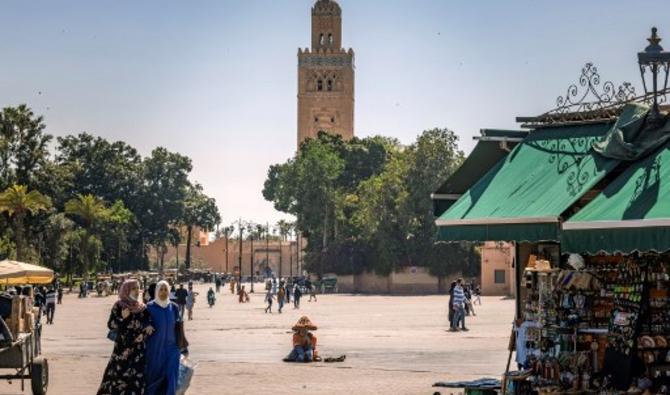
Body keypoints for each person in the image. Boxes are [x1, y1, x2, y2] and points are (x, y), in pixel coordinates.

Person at [97, 279, 154, 395]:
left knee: (137, 380)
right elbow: (111, 324)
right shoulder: (119, 305)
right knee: (119, 379)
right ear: (126, 290)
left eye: (138, 288)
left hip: (138, 351)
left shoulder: (142, 307)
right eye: (133, 288)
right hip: (122, 350)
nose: (137, 291)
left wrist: (148, 327)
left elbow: (148, 322)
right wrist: (123, 318)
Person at [145, 281, 182, 395]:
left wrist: (182, 346)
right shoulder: (149, 307)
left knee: (172, 376)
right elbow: (143, 321)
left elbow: (179, 326)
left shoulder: (174, 307)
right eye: (161, 289)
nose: (163, 292)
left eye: (166, 289)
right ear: (156, 291)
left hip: (172, 348)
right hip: (155, 348)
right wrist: (147, 325)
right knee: (154, 376)